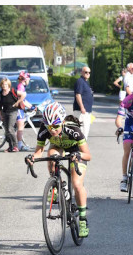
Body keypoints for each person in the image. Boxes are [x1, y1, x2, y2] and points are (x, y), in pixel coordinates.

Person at [26, 102, 91, 238]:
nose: (52, 130)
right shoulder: (44, 130)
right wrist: (32, 157)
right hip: (58, 147)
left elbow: (88, 155)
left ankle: (83, 220)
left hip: (76, 151)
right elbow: (39, 152)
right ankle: (58, 185)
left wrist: (78, 156)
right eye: (49, 127)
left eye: (55, 126)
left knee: (77, 183)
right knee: (51, 155)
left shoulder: (73, 130)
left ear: (62, 122)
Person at [0, 77, 19, 152]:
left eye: (5, 84)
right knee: (6, 131)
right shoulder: (0, 94)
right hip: (4, 112)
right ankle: (10, 147)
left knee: (10, 129)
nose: (4, 86)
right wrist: (1, 115)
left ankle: (15, 146)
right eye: (2, 84)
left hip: (13, 112)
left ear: (8, 85)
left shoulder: (12, 91)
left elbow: (23, 95)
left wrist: (17, 103)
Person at [73, 67, 94, 137]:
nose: (88, 74)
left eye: (89, 72)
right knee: (82, 132)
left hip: (86, 111)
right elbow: (78, 95)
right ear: (82, 72)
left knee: (85, 131)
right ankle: (80, 148)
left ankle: (81, 147)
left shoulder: (86, 82)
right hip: (81, 112)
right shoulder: (80, 81)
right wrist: (82, 107)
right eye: (86, 72)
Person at [15, 71, 33, 151]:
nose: (29, 81)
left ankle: (19, 144)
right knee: (20, 127)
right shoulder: (21, 87)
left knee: (20, 127)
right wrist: (30, 106)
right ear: (25, 79)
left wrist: (31, 106)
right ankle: (19, 145)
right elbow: (21, 100)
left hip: (20, 109)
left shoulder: (21, 86)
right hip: (18, 109)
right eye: (29, 79)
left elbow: (24, 100)